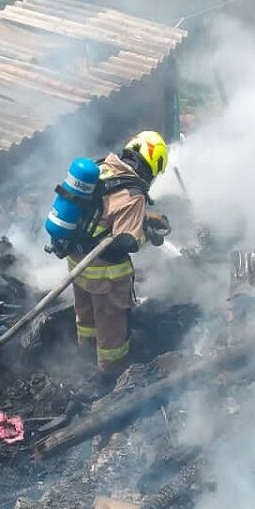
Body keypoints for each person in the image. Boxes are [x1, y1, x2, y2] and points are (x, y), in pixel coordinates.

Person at [69, 130, 171, 380]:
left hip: (77, 263)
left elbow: (103, 215)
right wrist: (149, 235)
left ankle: (84, 354)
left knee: (86, 316)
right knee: (110, 326)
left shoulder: (103, 167)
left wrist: (144, 220)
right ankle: (109, 374)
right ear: (153, 165)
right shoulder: (133, 194)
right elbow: (125, 243)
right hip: (104, 274)